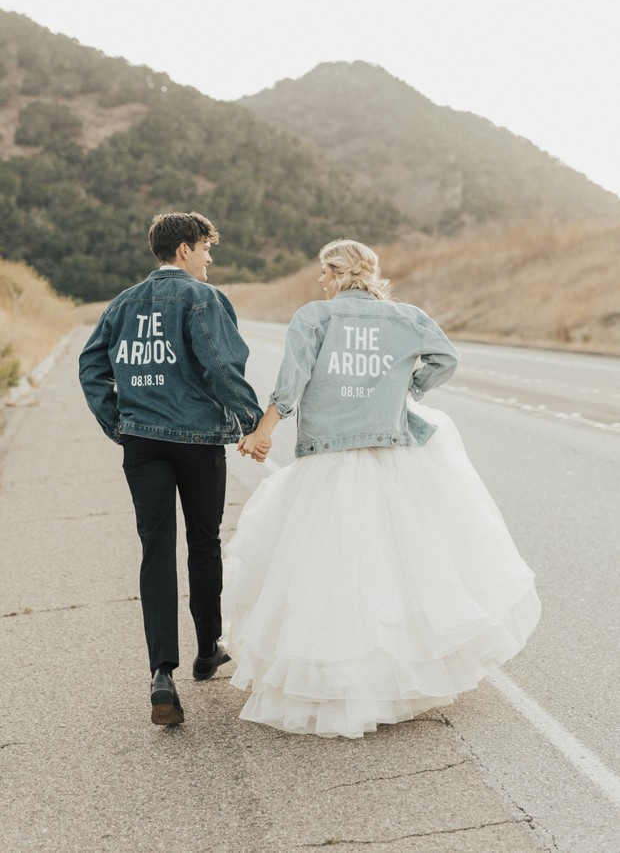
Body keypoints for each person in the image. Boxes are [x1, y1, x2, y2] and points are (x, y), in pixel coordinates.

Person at [223, 239, 541, 739]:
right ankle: (395, 682)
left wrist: (264, 431)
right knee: (395, 568)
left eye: (323, 273)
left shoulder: (315, 317)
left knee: (329, 571)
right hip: (390, 451)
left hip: (329, 456)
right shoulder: (406, 317)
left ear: (335, 271)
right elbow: (446, 358)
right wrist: (407, 388)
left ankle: (337, 680)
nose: (321, 283)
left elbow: (293, 383)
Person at [79, 211, 267, 726]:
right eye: (206, 246)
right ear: (184, 249)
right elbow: (221, 366)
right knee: (204, 542)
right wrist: (254, 422)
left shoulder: (122, 303)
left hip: (142, 443)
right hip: (198, 440)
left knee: (156, 548)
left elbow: (91, 365)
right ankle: (208, 649)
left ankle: (162, 673)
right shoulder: (203, 299)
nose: (210, 257)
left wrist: (118, 423)